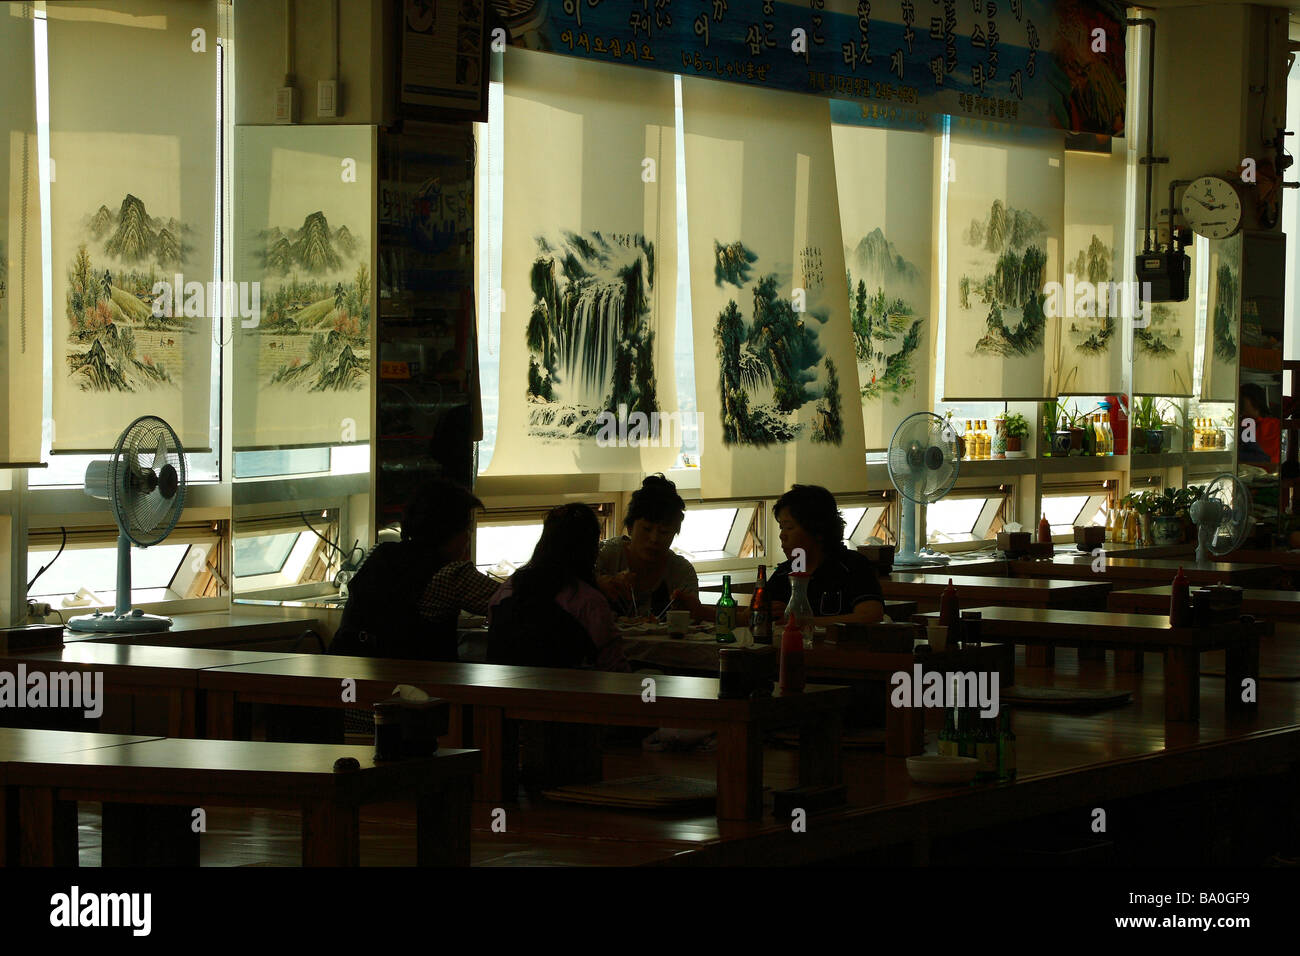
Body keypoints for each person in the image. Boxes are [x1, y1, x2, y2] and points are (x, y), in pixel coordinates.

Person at [331, 478, 496, 661]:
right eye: (466, 529)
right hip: (418, 680)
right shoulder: (451, 574)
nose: (468, 538)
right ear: (450, 531)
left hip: (351, 674)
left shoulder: (379, 554)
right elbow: (512, 603)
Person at [487, 503, 627, 670]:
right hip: (569, 692)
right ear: (590, 550)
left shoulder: (507, 590)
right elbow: (614, 666)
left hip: (503, 691)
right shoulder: (589, 602)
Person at [765, 484, 885, 626]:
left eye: (790, 527)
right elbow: (752, 613)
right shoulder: (785, 572)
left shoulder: (852, 566)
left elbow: (871, 615)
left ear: (817, 530)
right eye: (781, 527)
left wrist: (805, 623)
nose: (782, 535)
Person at [595, 474, 705, 621]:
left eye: (664, 532)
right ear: (630, 528)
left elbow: (693, 623)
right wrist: (598, 584)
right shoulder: (604, 556)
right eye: (646, 529)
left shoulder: (681, 572)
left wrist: (692, 609)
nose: (654, 539)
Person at [1239, 383, 1280, 468]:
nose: (1239, 403)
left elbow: (1272, 463)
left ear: (1254, 400)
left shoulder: (1273, 425)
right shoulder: (1241, 423)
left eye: (1242, 399)